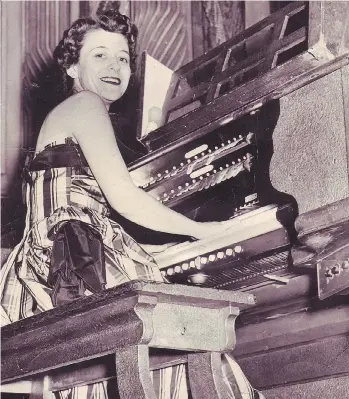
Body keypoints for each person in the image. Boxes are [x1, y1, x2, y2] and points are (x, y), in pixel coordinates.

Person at [1, 10, 265, 399]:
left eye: (123, 58)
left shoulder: (76, 117)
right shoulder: (85, 104)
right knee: (189, 348)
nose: (115, 66)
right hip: (74, 257)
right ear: (72, 67)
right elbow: (124, 198)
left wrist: (163, 247)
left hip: (58, 258)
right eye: (100, 55)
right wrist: (202, 229)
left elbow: (88, 206)